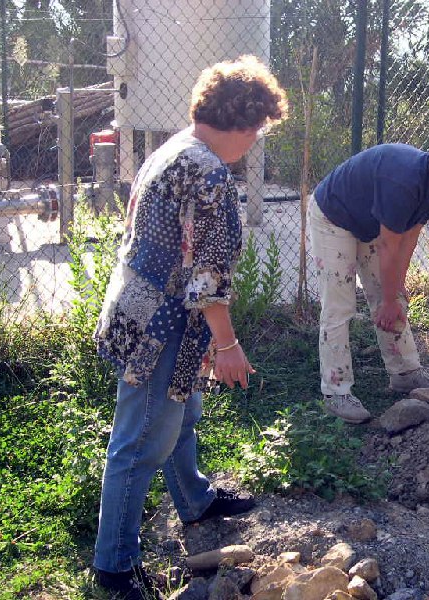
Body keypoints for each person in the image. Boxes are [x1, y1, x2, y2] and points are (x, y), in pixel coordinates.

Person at [92, 55, 287, 600]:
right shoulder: (209, 174)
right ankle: (114, 566)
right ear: (246, 124)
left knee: (181, 414)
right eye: (259, 129)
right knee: (139, 443)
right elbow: (207, 276)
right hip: (162, 328)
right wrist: (226, 344)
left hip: (136, 308)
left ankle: (194, 500)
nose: (255, 141)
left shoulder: (174, 148)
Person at [309, 142, 429, 423]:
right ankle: (336, 391)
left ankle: (404, 372)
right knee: (339, 306)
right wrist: (388, 300)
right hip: (333, 217)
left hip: (369, 224)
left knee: (393, 295)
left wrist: (397, 289)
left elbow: (409, 238)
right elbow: (388, 247)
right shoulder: (403, 183)